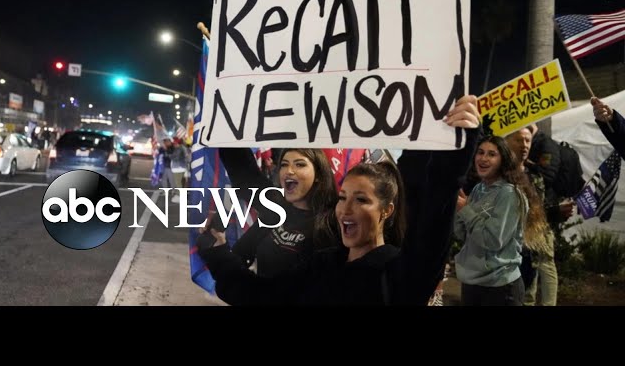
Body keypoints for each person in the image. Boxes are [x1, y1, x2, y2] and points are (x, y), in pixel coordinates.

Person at [197, 95, 480, 305]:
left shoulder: (398, 272)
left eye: (361, 200)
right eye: (343, 197)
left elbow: (432, 207)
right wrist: (219, 254)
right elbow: (264, 295)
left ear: (387, 210)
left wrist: (455, 142)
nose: (346, 209)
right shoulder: (324, 264)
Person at [213, 147, 338, 278]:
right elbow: (244, 173)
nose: (289, 171)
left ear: (318, 174)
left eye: (300, 164)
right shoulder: (275, 206)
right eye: (284, 164)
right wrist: (217, 248)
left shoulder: (331, 224)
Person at [453, 135, 528, 306]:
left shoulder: (509, 194)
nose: (483, 158)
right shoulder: (478, 189)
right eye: (480, 152)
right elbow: (462, 235)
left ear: (503, 160)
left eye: (492, 154)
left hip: (500, 287)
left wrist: (465, 210)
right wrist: (457, 211)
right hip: (473, 283)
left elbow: (492, 240)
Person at [506, 127, 556, 305]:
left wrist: (557, 210)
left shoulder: (535, 173)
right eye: (519, 140)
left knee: (529, 291)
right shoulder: (499, 173)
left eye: (527, 141)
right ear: (506, 142)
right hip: (508, 245)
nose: (524, 145)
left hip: (532, 241)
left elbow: (539, 207)